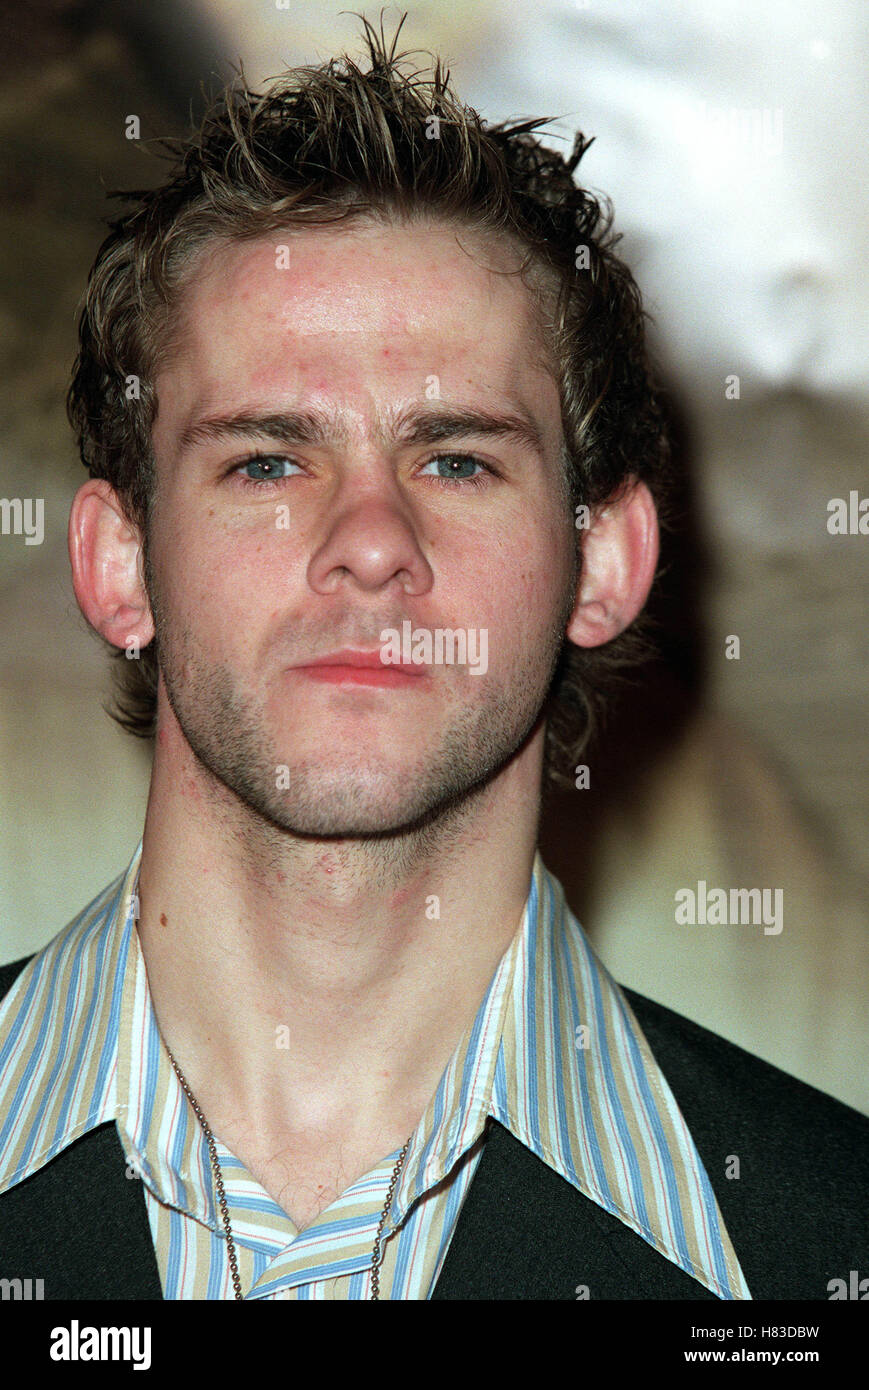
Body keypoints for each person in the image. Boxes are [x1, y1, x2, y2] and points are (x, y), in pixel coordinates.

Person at [0, 19, 866, 1301]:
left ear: (607, 563)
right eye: (268, 460)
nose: (368, 544)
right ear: (120, 565)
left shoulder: (826, 1254)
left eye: (455, 458)